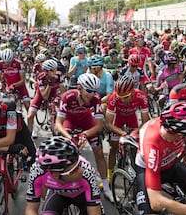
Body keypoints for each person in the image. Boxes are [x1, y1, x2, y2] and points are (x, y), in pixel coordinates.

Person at [54, 73, 114, 202]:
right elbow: (58, 124)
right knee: (67, 152)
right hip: (70, 122)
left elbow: (98, 126)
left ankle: (107, 188)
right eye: (89, 91)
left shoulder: (96, 99)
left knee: (99, 152)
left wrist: (84, 134)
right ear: (79, 88)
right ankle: (60, 182)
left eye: (94, 91)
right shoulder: (67, 97)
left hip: (87, 123)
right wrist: (70, 138)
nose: (92, 94)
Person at [25, 136, 104, 215]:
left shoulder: (87, 170)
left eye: (78, 164)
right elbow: (31, 208)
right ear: (56, 174)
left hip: (83, 196)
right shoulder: (37, 171)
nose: (81, 170)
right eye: (75, 169)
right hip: (59, 195)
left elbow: (94, 210)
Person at [105, 75, 149, 181]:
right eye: (120, 97)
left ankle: (137, 170)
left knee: (135, 147)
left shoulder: (141, 96)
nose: (123, 100)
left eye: (126, 97)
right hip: (118, 120)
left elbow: (145, 121)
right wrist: (121, 132)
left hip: (132, 119)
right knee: (113, 147)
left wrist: (136, 131)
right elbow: (108, 123)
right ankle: (109, 174)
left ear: (133, 92)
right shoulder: (113, 98)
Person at [27, 59, 65, 138]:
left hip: (54, 93)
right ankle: (28, 137)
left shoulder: (59, 75)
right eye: (52, 70)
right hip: (41, 94)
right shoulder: (41, 77)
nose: (54, 72)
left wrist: (59, 100)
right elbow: (44, 96)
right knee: (29, 116)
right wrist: (49, 84)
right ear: (45, 71)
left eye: (55, 69)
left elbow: (63, 92)